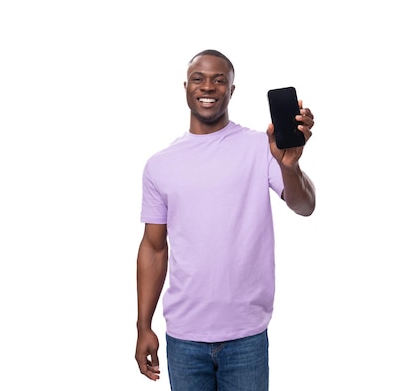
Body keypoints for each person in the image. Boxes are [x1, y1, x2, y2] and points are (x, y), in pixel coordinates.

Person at [135, 49, 316, 391]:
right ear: (186, 86)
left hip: (245, 336)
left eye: (220, 80)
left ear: (232, 90)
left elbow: (304, 205)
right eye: (199, 79)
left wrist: (289, 167)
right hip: (185, 337)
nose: (209, 87)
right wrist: (143, 325)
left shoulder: (260, 147)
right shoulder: (160, 165)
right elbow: (154, 247)